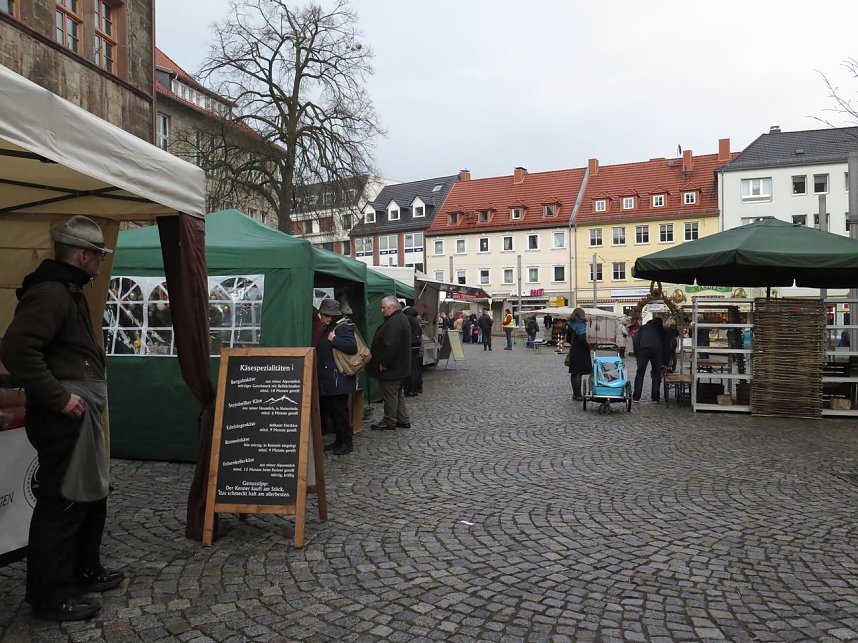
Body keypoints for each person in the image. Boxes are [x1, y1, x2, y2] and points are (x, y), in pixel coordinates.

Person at [1, 216, 124, 622]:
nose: (100, 263)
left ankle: (83, 570)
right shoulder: (51, 293)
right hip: (63, 417)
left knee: (90, 494)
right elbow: (17, 349)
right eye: (98, 256)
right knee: (63, 502)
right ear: (82, 256)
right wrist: (58, 397)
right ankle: (51, 595)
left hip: (77, 414)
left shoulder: (66, 290)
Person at [314, 298, 358, 455]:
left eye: (322, 315)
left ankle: (346, 442)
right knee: (334, 412)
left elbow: (352, 347)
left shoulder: (343, 327)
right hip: (332, 378)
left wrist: (334, 339)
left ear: (329, 316)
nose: (321, 318)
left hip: (339, 378)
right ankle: (339, 440)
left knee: (340, 412)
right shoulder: (331, 326)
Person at [367, 296, 412, 430]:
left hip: (392, 368)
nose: (382, 310)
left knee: (390, 395)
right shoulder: (399, 319)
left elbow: (391, 345)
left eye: (383, 307)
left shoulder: (395, 321)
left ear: (392, 307)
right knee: (397, 394)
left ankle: (389, 421)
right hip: (399, 367)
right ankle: (403, 419)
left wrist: (385, 363)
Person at [632, 316, 665, 403]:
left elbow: (635, 339)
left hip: (643, 350)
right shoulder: (660, 329)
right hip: (657, 351)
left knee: (640, 373)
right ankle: (655, 398)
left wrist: (636, 353)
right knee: (656, 374)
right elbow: (665, 342)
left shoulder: (643, 328)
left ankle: (636, 397)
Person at [565, 308, 592, 400]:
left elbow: (568, 339)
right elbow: (582, 339)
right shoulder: (581, 324)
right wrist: (587, 346)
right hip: (580, 351)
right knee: (578, 374)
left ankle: (575, 394)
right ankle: (578, 395)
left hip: (573, 350)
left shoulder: (570, 324)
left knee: (574, 373)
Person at [403, 306, 423, 397]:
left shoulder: (408, 319)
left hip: (410, 345)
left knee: (410, 368)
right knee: (415, 368)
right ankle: (416, 388)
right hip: (416, 345)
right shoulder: (415, 320)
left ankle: (411, 389)